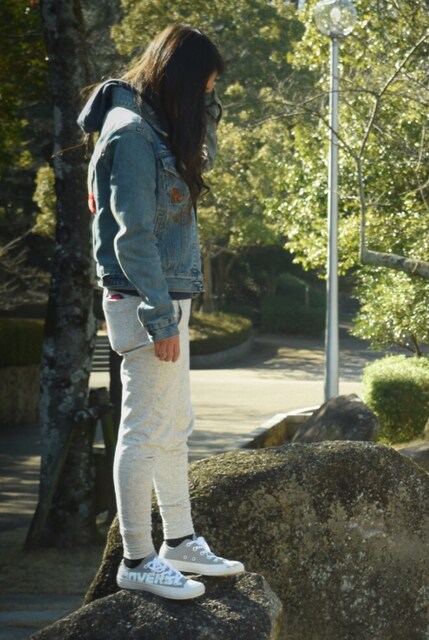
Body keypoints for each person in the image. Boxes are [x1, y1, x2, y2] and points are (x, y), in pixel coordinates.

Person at [78, 25, 244, 600]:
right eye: (205, 85)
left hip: (166, 297)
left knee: (174, 426)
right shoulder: (129, 135)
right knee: (143, 431)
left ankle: (179, 541)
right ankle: (136, 558)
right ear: (180, 79)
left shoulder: (157, 128)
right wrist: (159, 317)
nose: (209, 95)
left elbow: (203, 155)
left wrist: (207, 106)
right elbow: (132, 237)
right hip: (144, 299)